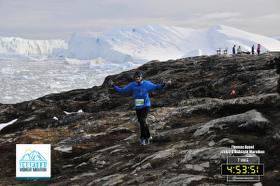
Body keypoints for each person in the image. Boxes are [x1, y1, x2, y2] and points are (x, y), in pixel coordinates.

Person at [109, 71, 170, 145]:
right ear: (134, 78)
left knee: (142, 121)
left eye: (138, 77)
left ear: (141, 78)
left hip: (146, 105)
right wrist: (113, 86)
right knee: (142, 122)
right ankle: (148, 136)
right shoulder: (132, 85)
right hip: (138, 106)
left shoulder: (147, 84)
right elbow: (122, 90)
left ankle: (142, 139)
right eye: (136, 78)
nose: (137, 79)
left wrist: (163, 85)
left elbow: (156, 87)